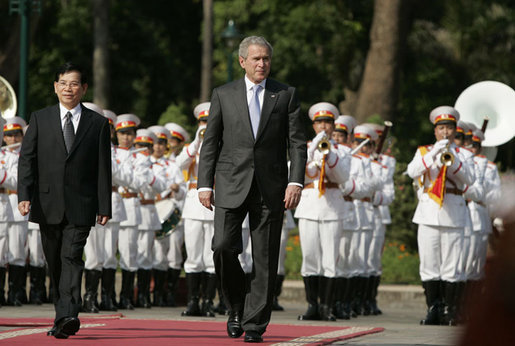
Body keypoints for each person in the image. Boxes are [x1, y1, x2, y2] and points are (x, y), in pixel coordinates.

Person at [198, 36, 306, 343]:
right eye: (256, 59)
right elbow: (211, 144)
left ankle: (255, 324)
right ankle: (235, 308)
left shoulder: (285, 94)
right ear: (242, 61)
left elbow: (297, 143)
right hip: (231, 183)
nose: (262, 64)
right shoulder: (224, 94)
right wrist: (204, 184)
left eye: (266, 59)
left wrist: (295, 181)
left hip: (271, 187)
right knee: (221, 246)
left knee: (266, 258)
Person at [17, 62, 112, 339]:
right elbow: (27, 160)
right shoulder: (40, 118)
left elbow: (103, 168)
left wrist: (104, 205)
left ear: (83, 89)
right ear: (55, 87)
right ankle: (62, 316)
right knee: (55, 262)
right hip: (47, 203)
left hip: (81, 204)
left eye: (74, 84)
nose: (68, 88)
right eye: (63, 83)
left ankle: (69, 313)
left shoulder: (97, 124)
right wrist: (25, 195)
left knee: (71, 257)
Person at [407, 106, 475, 326]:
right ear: (435, 131)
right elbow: (412, 171)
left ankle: (450, 309)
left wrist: (453, 160)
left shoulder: (463, 154)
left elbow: (470, 179)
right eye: (441, 128)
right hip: (428, 212)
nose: (445, 132)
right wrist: (435, 152)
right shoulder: (424, 151)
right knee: (429, 263)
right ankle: (432, 308)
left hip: (453, 212)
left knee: (452, 264)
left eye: (449, 128)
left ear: (455, 131)